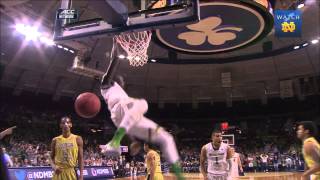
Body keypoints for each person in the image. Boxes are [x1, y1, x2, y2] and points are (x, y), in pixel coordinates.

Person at [99, 54, 184, 179]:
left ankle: (180, 176)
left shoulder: (120, 92)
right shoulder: (106, 84)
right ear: (116, 81)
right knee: (143, 103)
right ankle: (115, 141)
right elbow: (112, 65)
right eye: (121, 80)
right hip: (121, 108)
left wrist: (134, 142)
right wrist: (115, 52)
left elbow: (130, 131)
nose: (123, 82)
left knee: (167, 138)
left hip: (126, 116)